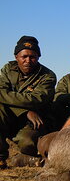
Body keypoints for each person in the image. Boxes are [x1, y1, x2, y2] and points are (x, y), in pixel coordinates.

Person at [0, 36, 56, 169]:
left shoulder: (48, 75)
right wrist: (25, 111)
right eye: (24, 56)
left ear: (38, 57)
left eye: (33, 57)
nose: (28, 61)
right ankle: (1, 157)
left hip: (34, 121)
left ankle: (28, 157)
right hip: (10, 116)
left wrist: (26, 107)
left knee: (28, 143)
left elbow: (37, 100)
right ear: (16, 57)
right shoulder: (8, 69)